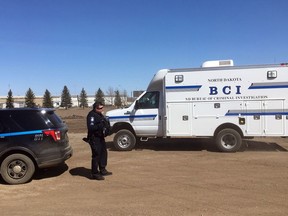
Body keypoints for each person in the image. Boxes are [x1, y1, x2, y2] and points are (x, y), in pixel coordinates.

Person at [85, 101, 112, 180]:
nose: (102, 109)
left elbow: (104, 124)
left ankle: (102, 169)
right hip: (94, 138)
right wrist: (101, 124)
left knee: (103, 153)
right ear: (95, 108)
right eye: (100, 108)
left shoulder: (100, 114)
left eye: (102, 107)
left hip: (100, 137)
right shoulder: (91, 115)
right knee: (96, 155)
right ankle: (94, 173)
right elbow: (91, 127)